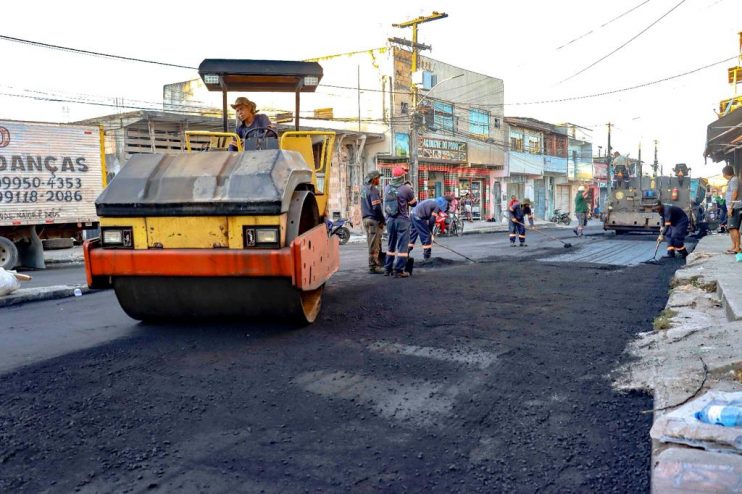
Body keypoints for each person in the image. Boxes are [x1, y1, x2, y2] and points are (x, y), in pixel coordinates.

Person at [383, 167, 417, 278]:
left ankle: (387, 269)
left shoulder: (387, 187)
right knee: (402, 246)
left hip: (390, 220)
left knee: (390, 245)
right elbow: (414, 203)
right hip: (402, 220)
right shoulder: (406, 189)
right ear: (402, 176)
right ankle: (399, 270)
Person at [360, 170, 385, 274]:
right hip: (373, 220)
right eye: (378, 178)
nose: (379, 180)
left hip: (366, 219)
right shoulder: (373, 190)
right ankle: (373, 267)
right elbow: (376, 207)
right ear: (374, 179)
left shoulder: (363, 189)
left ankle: (376, 264)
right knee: (374, 245)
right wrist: (382, 219)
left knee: (372, 243)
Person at [723, 165, 741, 254]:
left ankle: (737, 247)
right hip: (733, 207)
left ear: (725, 173)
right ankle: (734, 246)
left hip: (735, 207)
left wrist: (731, 207)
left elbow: (735, 193)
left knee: (734, 228)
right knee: (731, 228)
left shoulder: (734, 180)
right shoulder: (733, 180)